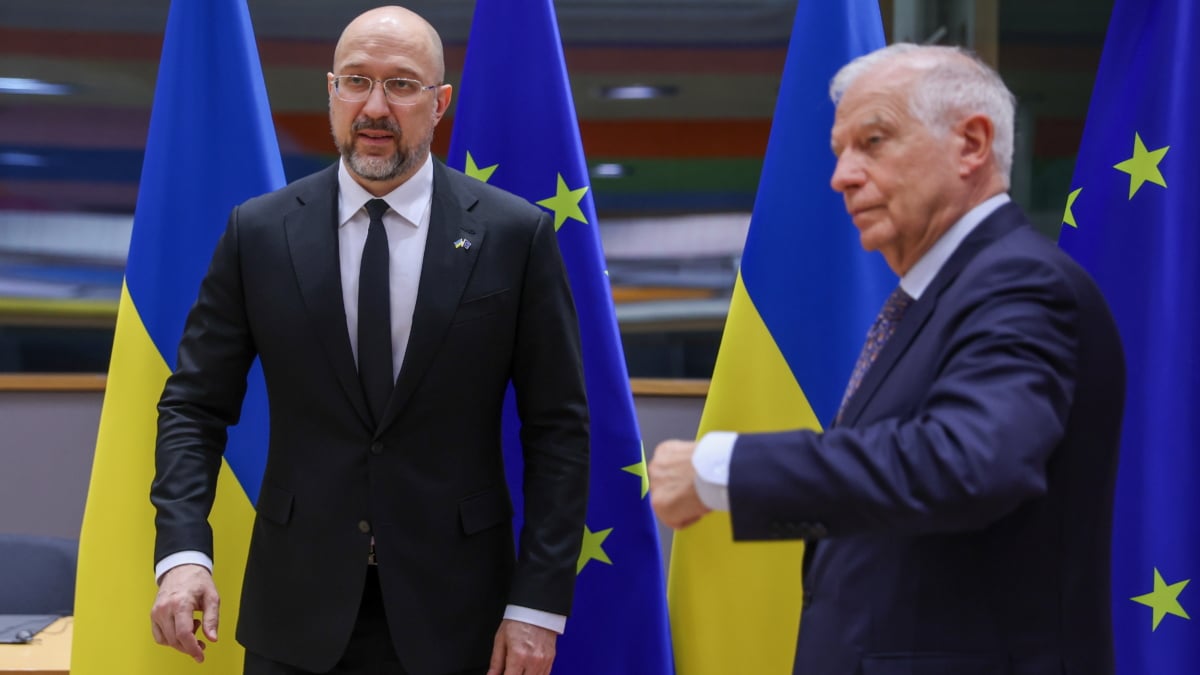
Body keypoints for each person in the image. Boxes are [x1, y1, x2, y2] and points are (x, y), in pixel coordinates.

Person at [650, 43, 1125, 674]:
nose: (842, 175)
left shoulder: (1021, 286)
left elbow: (965, 464)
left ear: (972, 144)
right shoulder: (940, 295)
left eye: (873, 142)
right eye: (840, 150)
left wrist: (723, 468)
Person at [148, 6, 589, 675]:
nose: (374, 106)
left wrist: (537, 605)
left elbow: (558, 429)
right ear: (331, 92)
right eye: (356, 81)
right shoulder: (260, 233)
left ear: (439, 103)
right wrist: (183, 553)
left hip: (462, 613)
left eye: (402, 85)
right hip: (295, 613)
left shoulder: (513, 236)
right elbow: (193, 406)